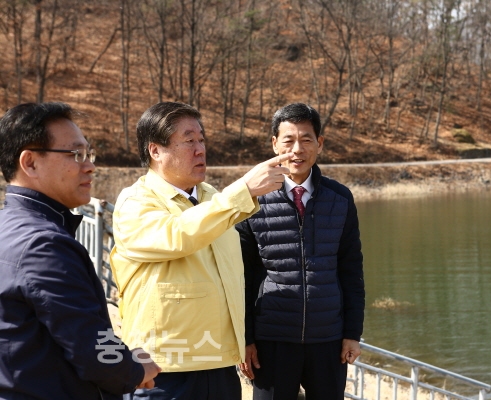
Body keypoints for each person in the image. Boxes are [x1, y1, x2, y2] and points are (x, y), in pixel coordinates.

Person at [109, 101, 293, 400]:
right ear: (155, 151)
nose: (200, 150)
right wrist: (243, 191)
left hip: (219, 364)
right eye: (189, 141)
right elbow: (177, 236)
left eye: (202, 140)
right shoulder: (135, 202)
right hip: (164, 369)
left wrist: (243, 341)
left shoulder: (213, 197)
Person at [0, 102, 161, 400]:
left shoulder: (8, 226)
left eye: (89, 154)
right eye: (75, 154)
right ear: (30, 163)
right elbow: (90, 344)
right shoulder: (43, 244)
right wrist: (135, 369)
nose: (90, 166)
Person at [236, 103, 365, 400]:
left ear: (319, 143)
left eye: (306, 139)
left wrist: (352, 333)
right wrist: (245, 338)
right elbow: (241, 277)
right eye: (288, 140)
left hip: (328, 339)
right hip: (271, 339)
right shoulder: (252, 201)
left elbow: (351, 271)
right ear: (274, 144)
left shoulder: (340, 198)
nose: (297, 149)